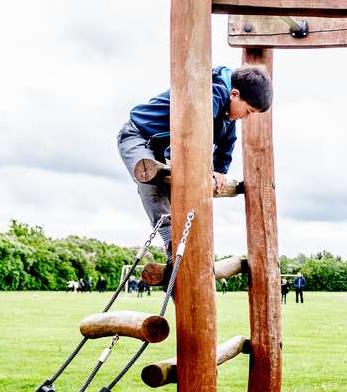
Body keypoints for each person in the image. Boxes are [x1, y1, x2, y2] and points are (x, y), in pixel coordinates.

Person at [115, 65, 273, 261]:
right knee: (149, 176)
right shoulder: (210, 94)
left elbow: (227, 143)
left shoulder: (226, 116)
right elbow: (191, 131)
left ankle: (178, 249)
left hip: (160, 148)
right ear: (234, 93)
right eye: (248, 111)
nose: (245, 117)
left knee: (175, 191)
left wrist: (218, 170)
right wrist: (195, 163)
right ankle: (170, 238)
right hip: (136, 135)